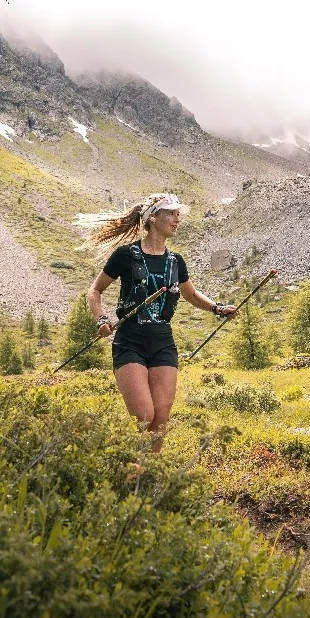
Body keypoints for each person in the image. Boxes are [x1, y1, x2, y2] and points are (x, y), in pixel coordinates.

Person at [86, 193, 237, 452]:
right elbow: (95, 291)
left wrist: (218, 308)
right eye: (171, 214)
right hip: (130, 342)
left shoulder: (175, 261)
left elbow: (191, 295)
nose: (177, 219)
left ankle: (150, 471)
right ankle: (129, 464)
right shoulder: (125, 255)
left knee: (161, 418)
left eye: (178, 214)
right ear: (153, 218)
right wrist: (101, 319)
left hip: (163, 343)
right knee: (144, 415)